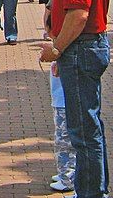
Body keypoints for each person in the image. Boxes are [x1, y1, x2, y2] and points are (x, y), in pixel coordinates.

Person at [39, 0, 111, 198]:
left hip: (80, 49)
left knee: (82, 131)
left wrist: (56, 48)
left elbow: (78, 15)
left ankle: (90, 193)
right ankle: (94, 189)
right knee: (90, 126)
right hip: (90, 46)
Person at [49, 62, 77, 192]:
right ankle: (63, 174)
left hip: (65, 102)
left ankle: (68, 179)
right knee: (61, 140)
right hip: (60, 101)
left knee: (65, 142)